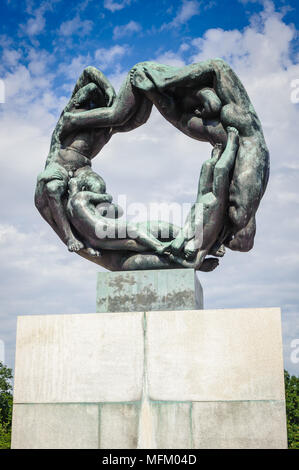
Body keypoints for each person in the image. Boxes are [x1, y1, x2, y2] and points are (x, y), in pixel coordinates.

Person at [61, 59, 269, 254]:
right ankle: (73, 119)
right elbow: (217, 66)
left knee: (129, 122)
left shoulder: (210, 129)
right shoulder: (242, 128)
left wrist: (209, 242)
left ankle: (84, 122)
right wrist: (164, 81)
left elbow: (209, 198)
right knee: (118, 115)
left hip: (156, 88)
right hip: (147, 74)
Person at [35, 67, 153, 254]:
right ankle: (70, 238)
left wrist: (149, 94)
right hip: (59, 164)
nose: (86, 106)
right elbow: (88, 72)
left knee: (97, 186)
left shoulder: (103, 128)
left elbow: (137, 121)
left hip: (82, 168)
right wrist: (110, 93)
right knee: (53, 188)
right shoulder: (70, 117)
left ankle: (103, 232)